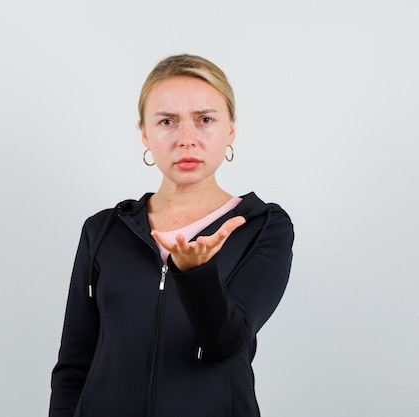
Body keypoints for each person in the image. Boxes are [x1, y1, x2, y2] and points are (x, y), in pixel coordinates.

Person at [49, 54, 294, 417]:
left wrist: (197, 274)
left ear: (230, 129)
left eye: (205, 120)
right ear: (145, 133)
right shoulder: (103, 231)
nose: (186, 139)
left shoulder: (262, 227)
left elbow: (226, 343)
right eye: (167, 121)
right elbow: (74, 364)